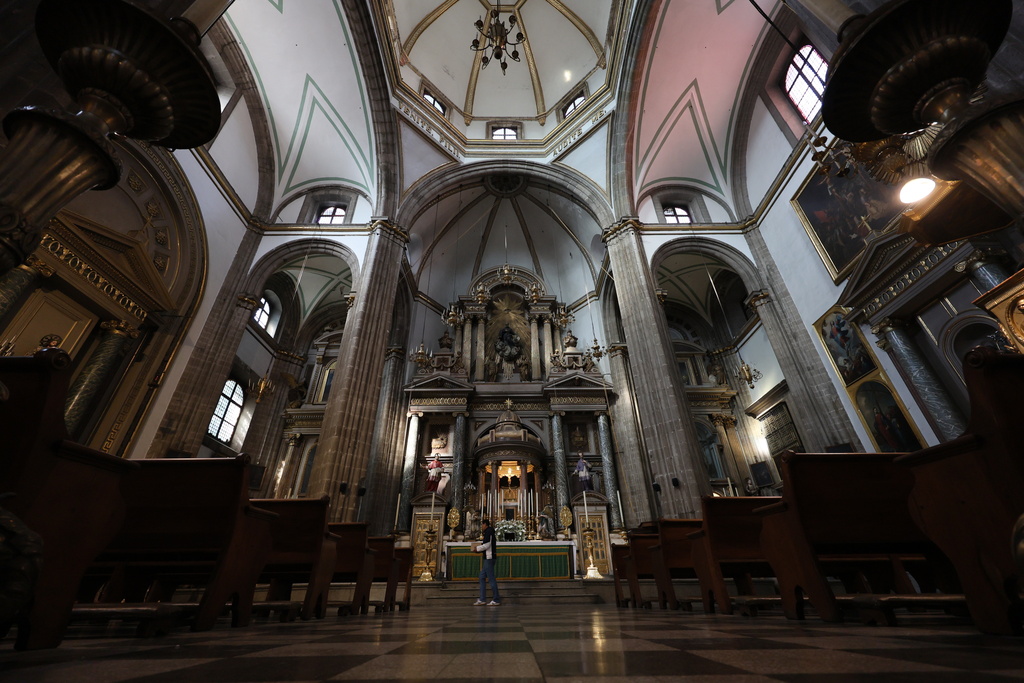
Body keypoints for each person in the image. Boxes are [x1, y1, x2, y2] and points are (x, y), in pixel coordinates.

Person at [474, 519, 501, 606]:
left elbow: (487, 545)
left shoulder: (489, 531)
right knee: (481, 577)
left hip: (489, 558)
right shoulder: (488, 532)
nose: (481, 527)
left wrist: (477, 549)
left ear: (485, 524)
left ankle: (496, 599)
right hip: (487, 557)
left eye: (482, 525)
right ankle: (482, 599)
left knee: (491, 578)